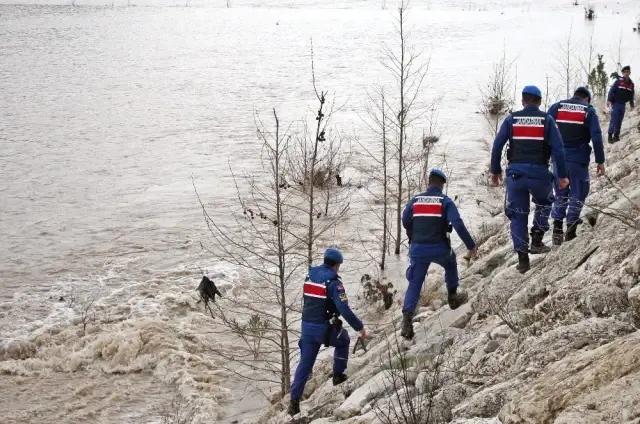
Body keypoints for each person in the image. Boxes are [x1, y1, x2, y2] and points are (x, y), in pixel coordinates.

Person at [490, 85, 569, 273]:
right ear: (540, 102)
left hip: (515, 175)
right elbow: (558, 150)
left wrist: (496, 170)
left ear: (522, 101)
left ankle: (523, 259)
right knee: (545, 202)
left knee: (518, 214)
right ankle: (537, 238)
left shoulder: (511, 119)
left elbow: (497, 146)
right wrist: (563, 175)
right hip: (539, 174)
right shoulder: (547, 120)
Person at [400, 169, 476, 341]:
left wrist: (415, 232)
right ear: (441, 184)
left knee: (415, 282)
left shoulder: (415, 200)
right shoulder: (445, 201)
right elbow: (457, 223)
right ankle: (452, 297)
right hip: (439, 248)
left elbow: (405, 221)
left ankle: (407, 321)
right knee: (451, 263)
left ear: (429, 182)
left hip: (418, 250)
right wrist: (471, 245)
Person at [288, 248, 366, 416]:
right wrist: (360, 327)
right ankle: (338, 374)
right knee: (344, 339)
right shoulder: (334, 283)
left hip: (306, 327)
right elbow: (344, 310)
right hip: (323, 328)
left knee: (305, 363)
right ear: (337, 265)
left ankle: (294, 402)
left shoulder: (310, 276)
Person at [548, 87, 606, 244]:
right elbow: (596, 136)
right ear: (586, 99)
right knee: (578, 192)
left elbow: (545, 131)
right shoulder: (588, 110)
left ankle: (557, 229)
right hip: (578, 159)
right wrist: (600, 160)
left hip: (558, 160)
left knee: (560, 192)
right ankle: (571, 230)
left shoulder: (556, 107)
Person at [607, 66, 635, 143]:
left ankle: (616, 136)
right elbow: (612, 90)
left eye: (628, 72)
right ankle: (610, 136)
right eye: (625, 72)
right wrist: (609, 100)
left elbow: (631, 95)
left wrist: (631, 104)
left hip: (623, 105)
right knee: (614, 120)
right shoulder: (618, 81)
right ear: (623, 73)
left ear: (630, 73)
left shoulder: (631, 84)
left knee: (619, 120)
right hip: (615, 103)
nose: (626, 73)